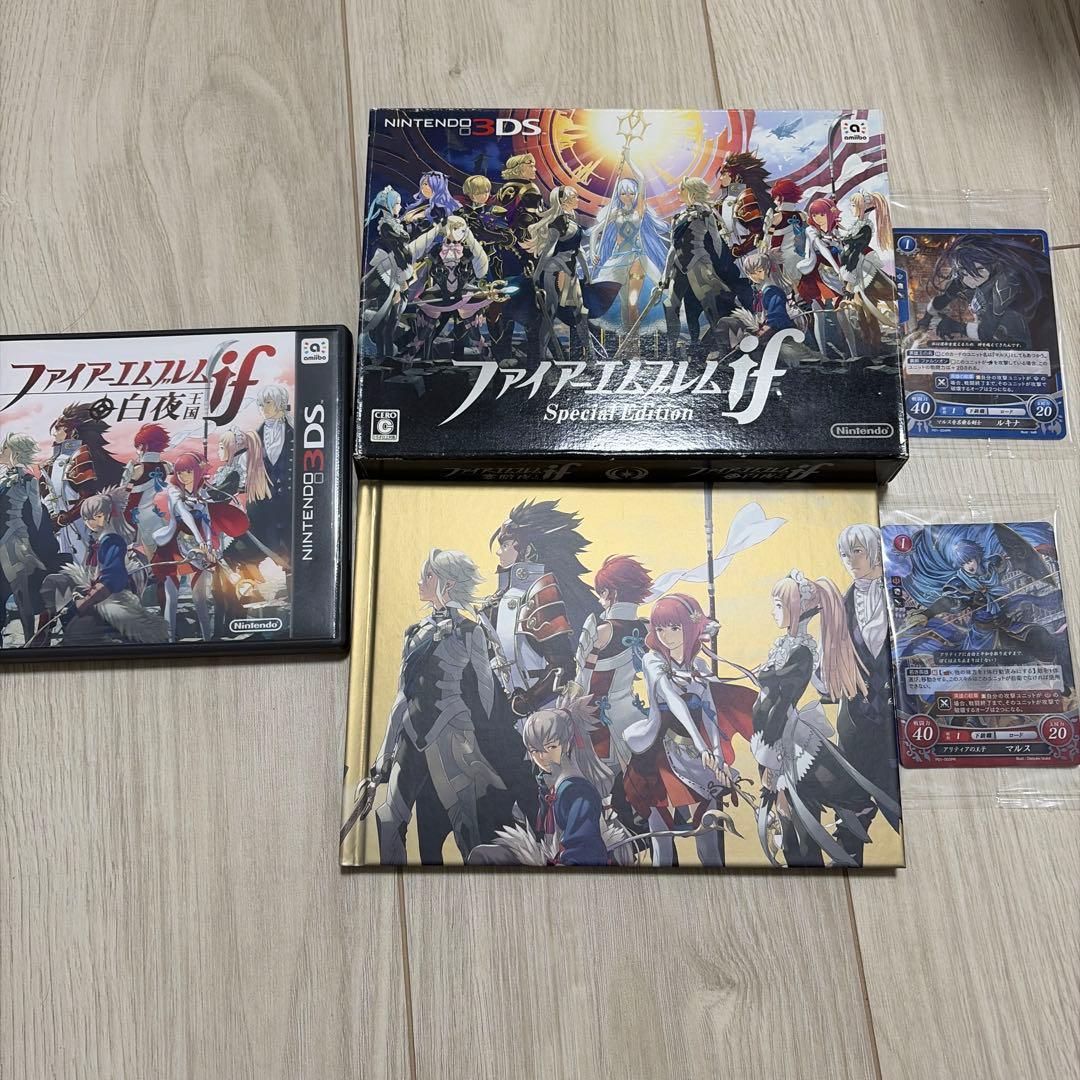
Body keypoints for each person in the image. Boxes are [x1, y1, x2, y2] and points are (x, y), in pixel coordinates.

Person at [367, 549, 503, 864]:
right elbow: (402, 695)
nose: (421, 581)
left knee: (467, 827)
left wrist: (487, 740)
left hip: (452, 732)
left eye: (428, 575)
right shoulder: (414, 633)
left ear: (449, 583)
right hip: (411, 732)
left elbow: (487, 692)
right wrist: (383, 756)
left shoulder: (471, 631)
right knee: (388, 819)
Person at [622, 593, 755, 866]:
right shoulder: (653, 661)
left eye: (674, 627)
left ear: (690, 627)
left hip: (697, 756)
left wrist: (717, 753)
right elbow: (674, 700)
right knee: (662, 844)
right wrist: (703, 746)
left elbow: (709, 712)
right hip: (660, 754)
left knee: (709, 843)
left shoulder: (700, 666)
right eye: (660, 629)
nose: (667, 636)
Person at [0, 433, 62, 644]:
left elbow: (37, 512)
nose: (1, 453)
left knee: (22, 594)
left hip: (15, 539)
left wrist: (35, 542)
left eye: (5, 449)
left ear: (16, 453)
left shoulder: (29, 479)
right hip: (3, 536)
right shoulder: (3, 479)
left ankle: (29, 640)